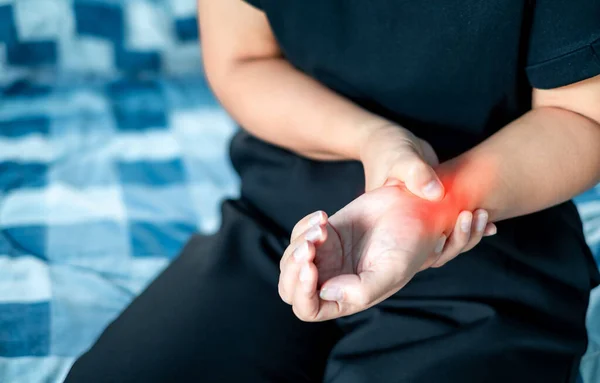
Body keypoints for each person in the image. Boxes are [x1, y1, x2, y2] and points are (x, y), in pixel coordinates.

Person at [65, 0, 600, 382]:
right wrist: (375, 141)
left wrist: (428, 204)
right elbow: (242, 60)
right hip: (280, 227)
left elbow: (581, 116)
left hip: (495, 246)